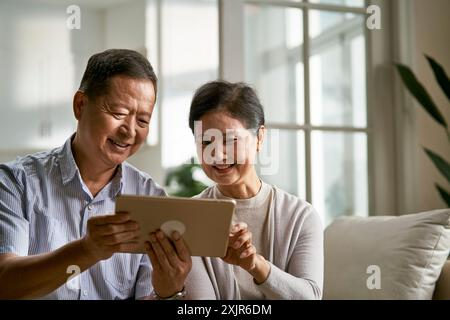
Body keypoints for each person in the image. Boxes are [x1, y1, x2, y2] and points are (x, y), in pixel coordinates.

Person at [0, 49, 191, 300]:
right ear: (80, 105)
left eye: (142, 121)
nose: (129, 131)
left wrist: (169, 292)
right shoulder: (16, 182)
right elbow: (5, 283)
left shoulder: (150, 196)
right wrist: (87, 250)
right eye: (119, 113)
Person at [186, 80, 323, 299]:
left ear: (259, 138)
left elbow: (310, 296)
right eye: (206, 142)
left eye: (230, 140)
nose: (218, 154)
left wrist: (254, 263)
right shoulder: (191, 217)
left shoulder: (300, 216)